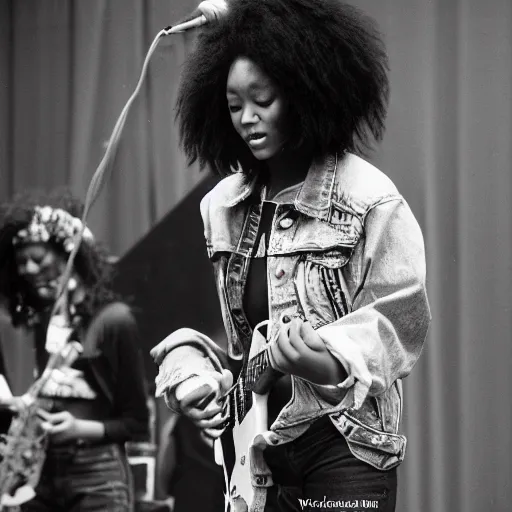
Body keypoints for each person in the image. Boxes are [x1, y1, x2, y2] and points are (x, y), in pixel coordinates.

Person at [151, 1, 431, 511]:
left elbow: (400, 317)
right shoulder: (223, 206)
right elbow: (243, 345)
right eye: (234, 105)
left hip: (346, 445)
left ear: (306, 93)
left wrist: (329, 362)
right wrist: (198, 378)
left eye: (263, 99)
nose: (247, 118)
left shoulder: (370, 197)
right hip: (258, 452)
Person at [0, 190, 149, 511]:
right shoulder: (44, 321)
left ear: (70, 257)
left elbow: (136, 422)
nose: (27, 269)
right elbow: (59, 390)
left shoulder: (113, 321)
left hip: (97, 476)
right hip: (43, 473)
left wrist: (79, 428)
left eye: (37, 259)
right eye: (21, 263)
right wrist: (25, 405)